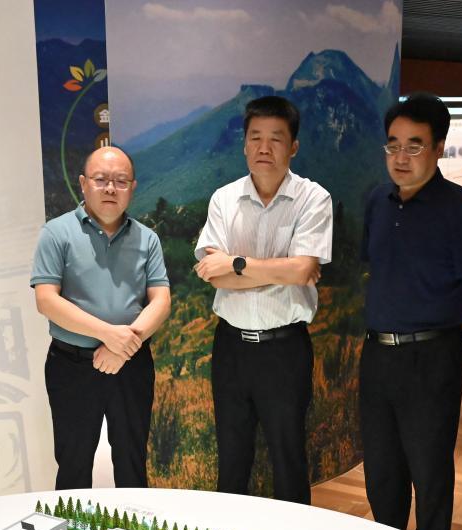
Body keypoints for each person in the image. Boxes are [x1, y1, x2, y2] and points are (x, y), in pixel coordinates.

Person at [360, 93, 462, 530]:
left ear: (439, 148)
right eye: (393, 145)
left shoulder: (460, 209)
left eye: (414, 146)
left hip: (431, 356)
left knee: (429, 467)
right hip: (377, 353)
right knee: (382, 467)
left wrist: (453, 333)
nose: (400, 157)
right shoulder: (377, 201)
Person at [193, 95, 332, 505]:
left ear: (294, 146)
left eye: (276, 138)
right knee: (232, 458)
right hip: (231, 347)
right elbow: (213, 276)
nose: (264, 148)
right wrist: (278, 270)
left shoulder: (313, 198)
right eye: (255, 137)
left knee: (289, 459)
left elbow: (302, 271)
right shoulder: (224, 199)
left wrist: (236, 263)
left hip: (284, 349)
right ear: (244, 145)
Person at [31, 146, 171, 490]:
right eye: (101, 180)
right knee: (73, 462)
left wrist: (124, 345)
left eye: (120, 181)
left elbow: (161, 300)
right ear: (83, 183)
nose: (110, 188)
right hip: (71, 366)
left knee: (132, 459)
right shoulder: (56, 233)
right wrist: (110, 335)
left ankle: (135, 523)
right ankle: (71, 524)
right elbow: (46, 300)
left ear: (132, 187)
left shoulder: (147, 239)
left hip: (132, 364)